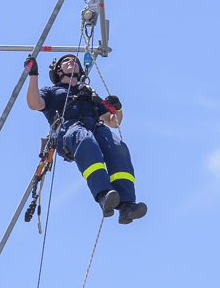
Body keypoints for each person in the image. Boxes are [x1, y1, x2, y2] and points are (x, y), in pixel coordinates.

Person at [24, 53, 147, 225]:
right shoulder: (52, 91)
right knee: (86, 140)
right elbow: (34, 104)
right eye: (66, 61)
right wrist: (33, 74)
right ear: (58, 71)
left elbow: (113, 122)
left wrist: (117, 108)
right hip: (68, 130)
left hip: (96, 127)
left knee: (119, 148)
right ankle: (103, 194)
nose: (72, 61)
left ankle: (127, 205)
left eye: (75, 61)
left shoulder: (89, 94)